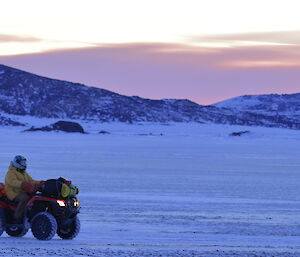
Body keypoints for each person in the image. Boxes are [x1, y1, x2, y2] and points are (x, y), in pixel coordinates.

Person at [5, 155, 43, 223]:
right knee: (24, 198)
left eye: (24, 163)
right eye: (22, 163)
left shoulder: (24, 173)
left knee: (36, 196)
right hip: (13, 193)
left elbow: (31, 181)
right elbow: (13, 182)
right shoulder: (11, 173)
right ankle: (17, 218)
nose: (24, 164)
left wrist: (41, 183)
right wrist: (23, 184)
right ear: (17, 163)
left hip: (23, 191)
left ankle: (31, 214)